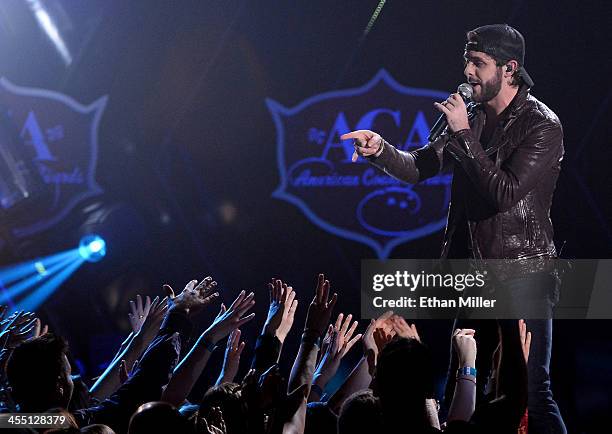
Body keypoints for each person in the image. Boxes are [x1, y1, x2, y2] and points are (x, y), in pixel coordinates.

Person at [342, 23, 566, 433]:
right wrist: (382, 150)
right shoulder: (471, 115)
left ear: (509, 68)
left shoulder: (542, 126)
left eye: (479, 63)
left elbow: (504, 192)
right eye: (467, 61)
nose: (468, 72)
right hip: (472, 275)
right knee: (464, 380)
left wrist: (464, 133)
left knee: (532, 392)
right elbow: (421, 166)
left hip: (523, 275)